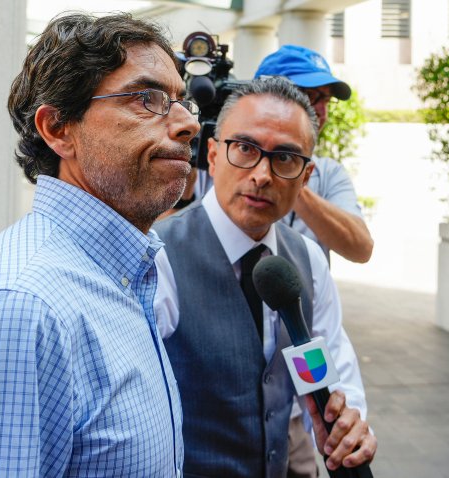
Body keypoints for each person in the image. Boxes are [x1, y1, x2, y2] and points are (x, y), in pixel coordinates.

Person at [0, 12, 200, 477]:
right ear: (57, 129)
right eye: (146, 99)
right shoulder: (19, 307)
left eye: (182, 102)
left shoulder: (118, 275)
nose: (186, 125)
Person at [153, 77, 376, 478]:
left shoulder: (308, 260)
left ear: (306, 179)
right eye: (245, 148)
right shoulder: (158, 258)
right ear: (213, 155)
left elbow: (331, 366)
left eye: (286, 158)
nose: (262, 175)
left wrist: (349, 424)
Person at [255, 44, 373, 264]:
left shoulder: (329, 171)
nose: (322, 112)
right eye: (310, 96)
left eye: (326, 101)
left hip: (307, 297)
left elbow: (361, 248)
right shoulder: (225, 159)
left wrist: (290, 175)